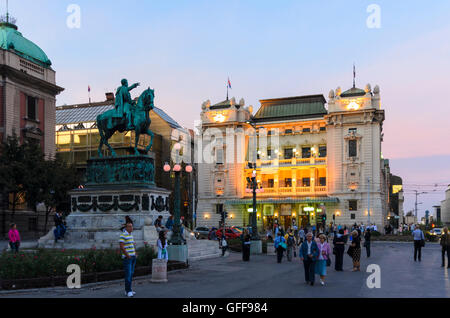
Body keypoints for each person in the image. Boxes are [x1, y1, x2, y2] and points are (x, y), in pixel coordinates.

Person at [119, 221, 137, 297]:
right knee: (128, 274)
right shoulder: (123, 235)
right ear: (126, 228)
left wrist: (135, 253)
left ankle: (128, 290)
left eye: (132, 226)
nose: (131, 228)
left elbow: (132, 245)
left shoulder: (131, 235)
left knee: (131, 274)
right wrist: (128, 255)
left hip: (133, 257)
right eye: (129, 226)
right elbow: (121, 246)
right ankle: (128, 290)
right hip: (127, 258)